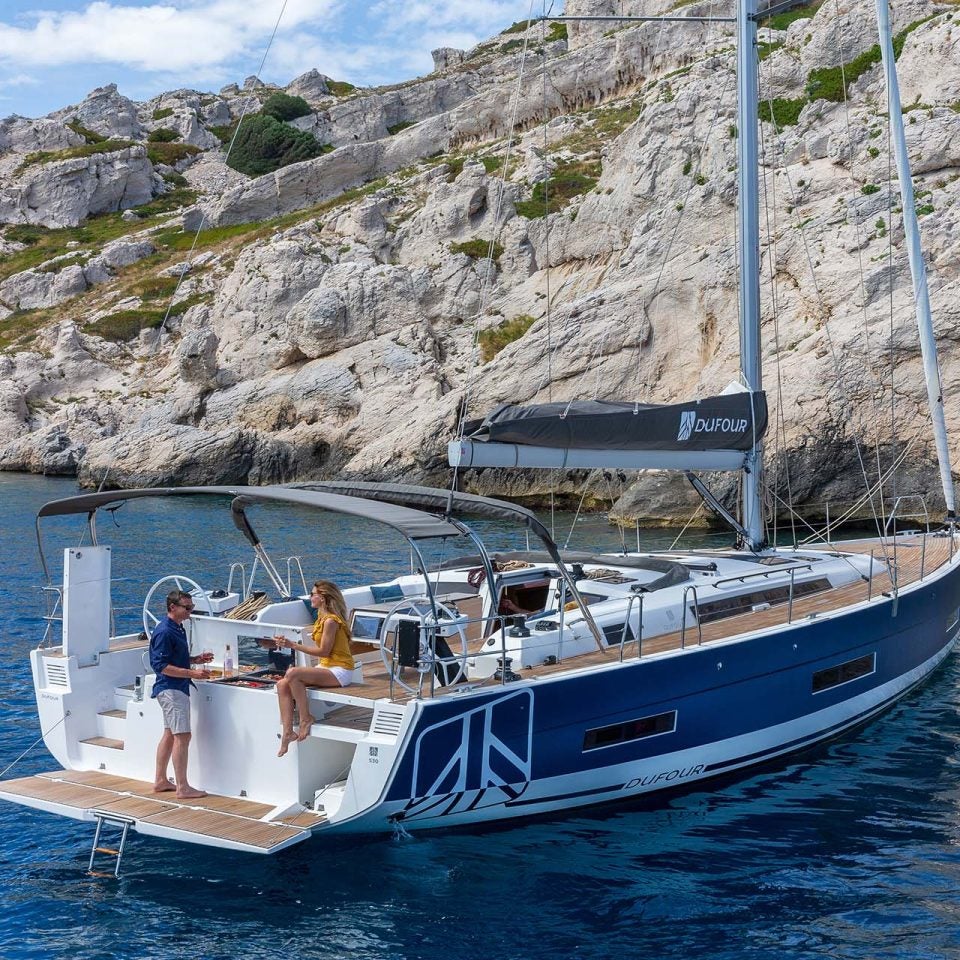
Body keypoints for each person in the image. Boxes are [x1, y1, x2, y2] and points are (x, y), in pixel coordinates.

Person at [274, 580, 355, 757]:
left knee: (293, 673)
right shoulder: (321, 618)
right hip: (326, 667)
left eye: (313, 594)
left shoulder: (331, 622)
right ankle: (288, 732)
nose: (310, 597)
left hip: (340, 670)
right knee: (282, 685)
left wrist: (292, 645)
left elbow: (324, 652)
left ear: (323, 598)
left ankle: (305, 718)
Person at [150, 589, 212, 798]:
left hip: (175, 688)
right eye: (187, 608)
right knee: (182, 736)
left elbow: (174, 658)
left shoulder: (178, 628)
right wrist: (192, 672)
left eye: (192, 607)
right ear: (172, 608)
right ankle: (182, 787)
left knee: (169, 734)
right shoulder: (165, 631)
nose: (190, 612)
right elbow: (161, 665)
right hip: (171, 690)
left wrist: (195, 659)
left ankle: (160, 780)